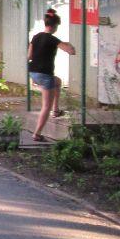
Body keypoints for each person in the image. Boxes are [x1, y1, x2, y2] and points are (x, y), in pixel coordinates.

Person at [28, 8, 76, 142]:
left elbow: (29, 55)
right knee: (45, 106)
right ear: (54, 26)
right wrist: (70, 45)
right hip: (45, 75)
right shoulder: (53, 39)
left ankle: (56, 111)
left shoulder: (36, 36)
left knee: (58, 82)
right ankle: (37, 133)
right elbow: (70, 51)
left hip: (33, 72)